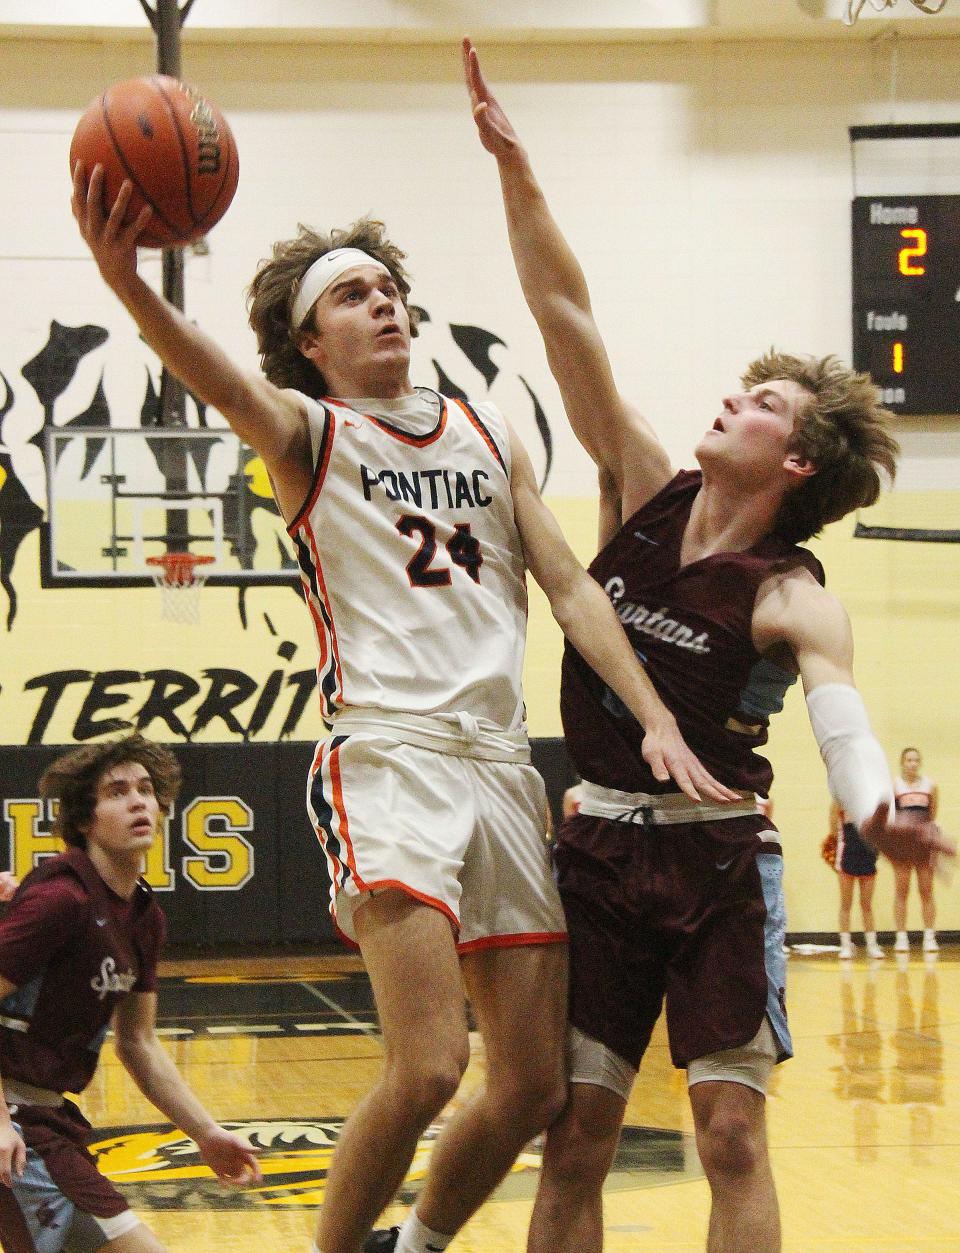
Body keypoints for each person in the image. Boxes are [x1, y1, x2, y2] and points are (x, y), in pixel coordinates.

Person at [71, 164, 735, 1253]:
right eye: (352, 294)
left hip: (503, 768)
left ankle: (415, 1242)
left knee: (528, 1088)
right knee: (430, 1062)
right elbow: (217, 378)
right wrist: (131, 287)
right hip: (386, 756)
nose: (383, 301)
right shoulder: (308, 433)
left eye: (389, 286)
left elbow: (568, 582)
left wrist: (653, 710)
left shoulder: (482, 429)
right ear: (312, 344)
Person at [462, 39, 955, 1253]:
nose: (734, 395)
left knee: (731, 1135)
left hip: (722, 863)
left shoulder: (791, 591)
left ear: (796, 463)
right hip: (598, 849)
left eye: (765, 400)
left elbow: (839, 704)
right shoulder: (640, 485)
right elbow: (563, 314)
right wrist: (518, 173)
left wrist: (874, 801)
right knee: (576, 1134)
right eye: (742, 385)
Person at [0, 734, 261, 1253]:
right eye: (116, 792)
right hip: (16, 1119)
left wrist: (205, 1133)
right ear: (84, 820)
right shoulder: (60, 899)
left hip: (45, 1115)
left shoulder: (145, 918)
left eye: (146, 789)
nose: (138, 800)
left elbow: (138, 1044)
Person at [892, 747, 940, 953]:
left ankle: (929, 936)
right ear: (902, 762)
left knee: (926, 890)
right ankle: (901, 937)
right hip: (903, 844)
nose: (912, 763)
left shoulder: (930, 785)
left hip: (923, 844)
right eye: (909, 760)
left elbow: (932, 813)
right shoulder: (895, 786)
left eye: (916, 760)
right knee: (902, 891)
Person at [829, 800, 884, 959]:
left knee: (867, 904)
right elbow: (833, 827)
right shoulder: (840, 799)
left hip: (868, 852)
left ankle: (872, 945)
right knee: (846, 903)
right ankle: (845, 945)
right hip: (848, 852)